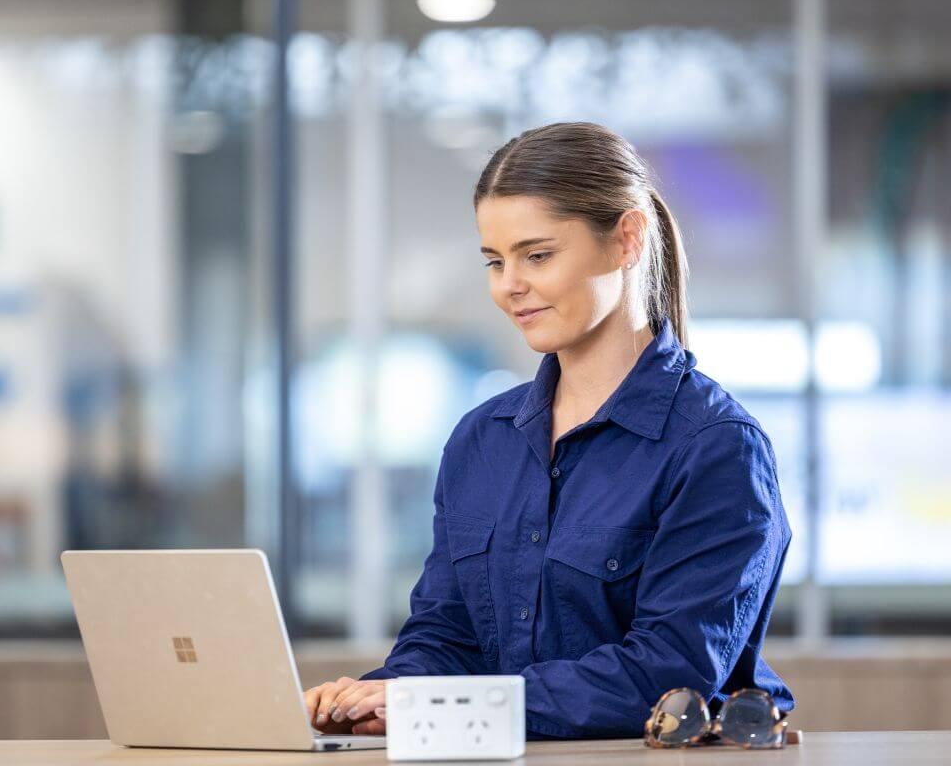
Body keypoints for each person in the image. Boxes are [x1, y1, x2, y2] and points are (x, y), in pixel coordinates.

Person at [303, 121, 795, 739]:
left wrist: (444, 708)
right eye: (494, 260)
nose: (510, 285)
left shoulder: (715, 447)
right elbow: (447, 635)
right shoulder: (483, 439)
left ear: (626, 240)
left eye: (537, 255)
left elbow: (667, 677)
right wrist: (384, 697)